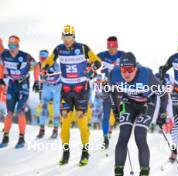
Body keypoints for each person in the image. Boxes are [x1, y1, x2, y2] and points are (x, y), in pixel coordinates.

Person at [41, 25, 102, 166]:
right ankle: (66, 152)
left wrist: (91, 68)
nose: (67, 40)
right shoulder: (59, 49)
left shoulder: (83, 48)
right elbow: (49, 61)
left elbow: (98, 62)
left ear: (74, 37)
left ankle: (85, 152)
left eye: (69, 37)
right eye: (64, 37)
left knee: (81, 120)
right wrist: (44, 70)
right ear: (62, 37)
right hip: (66, 91)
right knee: (65, 121)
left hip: (81, 89)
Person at [109, 52, 168, 176]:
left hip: (147, 103)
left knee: (139, 134)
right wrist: (115, 109)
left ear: (135, 68)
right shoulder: (114, 74)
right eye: (123, 70)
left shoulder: (147, 75)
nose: (126, 73)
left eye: (130, 69)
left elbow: (164, 95)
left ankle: (144, 172)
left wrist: (162, 114)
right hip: (127, 102)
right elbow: (111, 92)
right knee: (124, 132)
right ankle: (118, 171)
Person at [0, 35, 40, 148]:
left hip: (23, 85)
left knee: (20, 111)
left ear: (18, 46)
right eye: (10, 46)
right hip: (12, 85)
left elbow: (36, 66)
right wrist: (1, 79)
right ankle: (5, 138)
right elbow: (1, 66)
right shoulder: (4, 55)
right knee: (9, 112)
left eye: (14, 46)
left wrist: (37, 81)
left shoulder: (25, 56)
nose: (12, 48)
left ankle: (21, 139)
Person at [97, 36, 124, 149]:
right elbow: (92, 65)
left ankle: (123, 135)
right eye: (109, 47)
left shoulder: (123, 55)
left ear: (117, 46)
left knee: (122, 112)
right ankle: (105, 138)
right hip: (106, 87)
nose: (111, 49)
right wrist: (99, 77)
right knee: (106, 114)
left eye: (113, 47)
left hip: (119, 89)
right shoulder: (102, 55)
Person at [36, 49, 62, 139]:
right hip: (46, 87)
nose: (42, 60)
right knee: (43, 107)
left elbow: (59, 77)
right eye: (41, 58)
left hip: (56, 87)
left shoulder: (55, 64)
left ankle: (55, 129)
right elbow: (37, 76)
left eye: (44, 58)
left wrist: (50, 76)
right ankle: (42, 129)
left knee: (55, 108)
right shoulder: (38, 65)